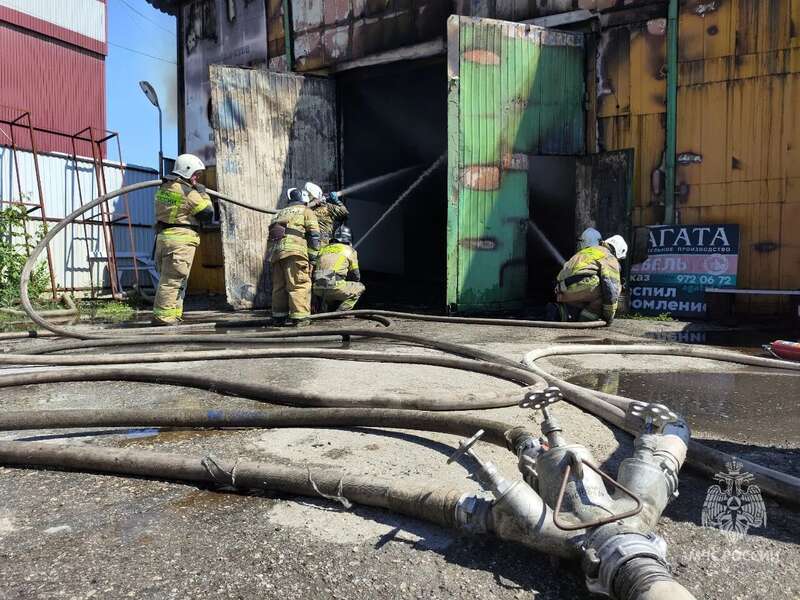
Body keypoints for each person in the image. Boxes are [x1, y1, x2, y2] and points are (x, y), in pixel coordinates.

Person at [152, 154, 214, 325]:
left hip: (164, 238)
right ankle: (164, 317)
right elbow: (207, 214)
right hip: (180, 242)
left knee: (176, 280)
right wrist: (203, 193)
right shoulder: (187, 192)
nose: (197, 178)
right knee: (173, 281)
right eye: (196, 174)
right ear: (186, 171)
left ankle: (173, 315)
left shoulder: (164, 188)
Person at [268, 187, 320, 327]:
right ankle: (300, 318)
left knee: (279, 286)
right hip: (295, 252)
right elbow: (314, 235)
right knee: (299, 284)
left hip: (276, 253)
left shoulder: (279, 213)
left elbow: (271, 236)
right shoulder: (306, 211)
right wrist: (313, 258)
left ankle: (279, 317)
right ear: (304, 200)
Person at [548, 234, 627, 324]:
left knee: (590, 296)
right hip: (578, 288)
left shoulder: (589, 250)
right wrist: (608, 317)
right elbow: (611, 288)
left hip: (561, 291)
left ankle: (564, 313)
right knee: (606, 291)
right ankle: (585, 321)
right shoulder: (609, 257)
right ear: (619, 252)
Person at [312, 225, 365, 312]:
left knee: (327, 292)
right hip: (334, 286)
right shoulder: (349, 250)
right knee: (360, 287)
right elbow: (356, 276)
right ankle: (340, 312)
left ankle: (324, 311)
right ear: (349, 239)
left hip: (317, 287)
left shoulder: (323, 249)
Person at [305, 181, 349, 246]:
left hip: (321, 241)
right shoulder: (305, 208)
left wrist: (336, 201)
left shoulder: (327, 207)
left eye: (309, 194)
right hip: (309, 241)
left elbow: (344, 213)